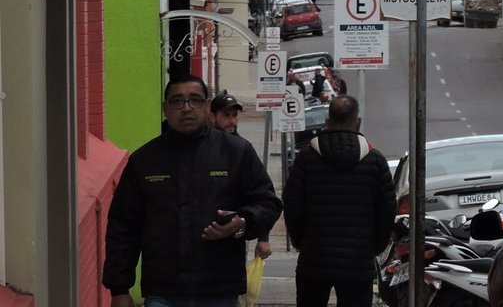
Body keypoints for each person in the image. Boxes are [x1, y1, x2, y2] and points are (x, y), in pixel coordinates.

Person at [103, 73, 282, 307]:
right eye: (177, 101)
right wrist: (119, 289)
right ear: (165, 109)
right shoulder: (144, 161)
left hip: (220, 289)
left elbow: (268, 204)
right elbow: (123, 226)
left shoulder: (236, 153)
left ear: (207, 106)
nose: (186, 108)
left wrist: (242, 222)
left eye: (195, 100)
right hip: (163, 291)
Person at [283, 94, 397, 307]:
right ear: (358, 121)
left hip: (314, 260)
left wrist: (300, 241)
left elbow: (292, 203)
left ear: (327, 121)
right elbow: (387, 209)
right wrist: (375, 246)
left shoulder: (306, 159)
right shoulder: (375, 161)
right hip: (358, 262)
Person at [210, 91, 275, 264]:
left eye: (234, 115)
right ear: (212, 117)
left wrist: (263, 236)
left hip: (233, 235)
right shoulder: (203, 148)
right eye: (226, 115)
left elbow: (262, 197)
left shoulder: (242, 150)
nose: (232, 121)